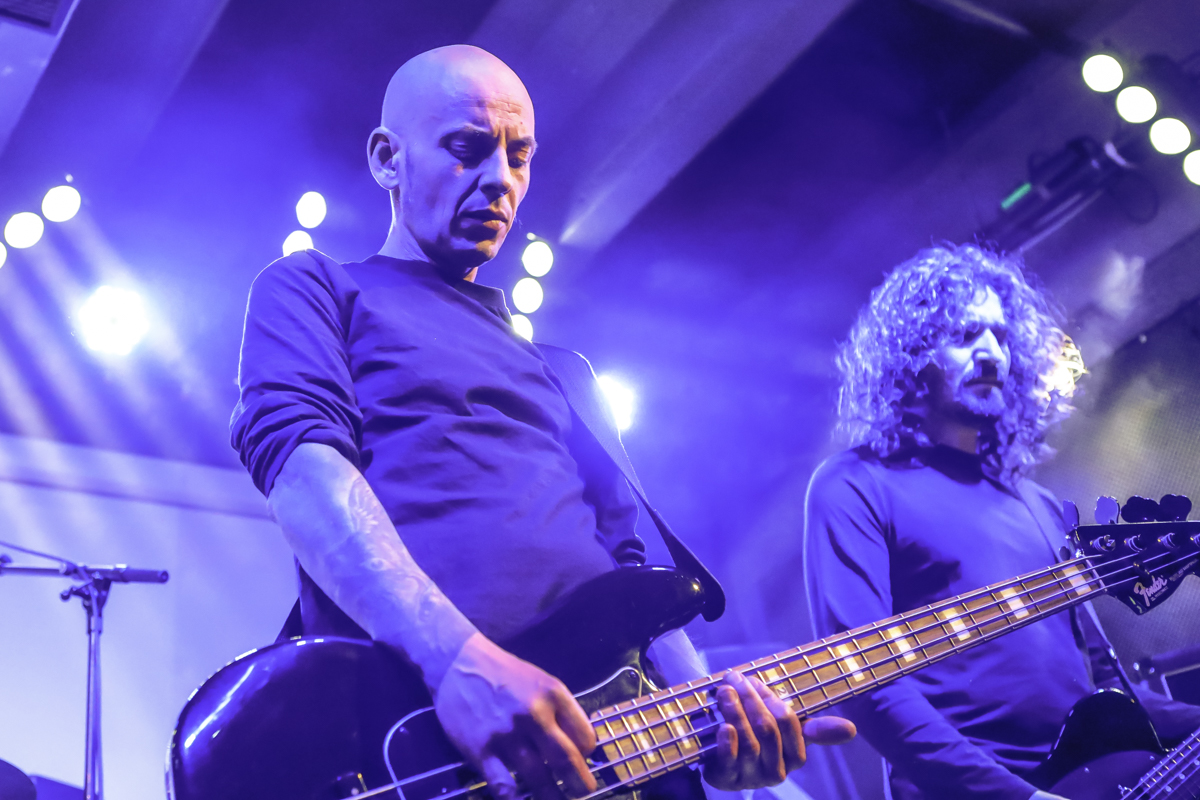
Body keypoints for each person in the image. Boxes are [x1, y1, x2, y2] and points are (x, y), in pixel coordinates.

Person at [230, 45, 852, 800]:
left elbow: (636, 581)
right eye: (467, 148)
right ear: (388, 159)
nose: (501, 178)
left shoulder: (568, 374)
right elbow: (304, 474)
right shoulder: (316, 288)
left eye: (519, 156)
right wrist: (456, 660)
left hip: (606, 759)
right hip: (423, 748)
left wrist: (709, 729)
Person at [802, 244, 1200, 800]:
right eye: (967, 335)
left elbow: (1106, 684)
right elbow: (866, 684)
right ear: (912, 353)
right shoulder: (854, 485)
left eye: (1002, 338)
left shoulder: (1036, 504)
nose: (991, 354)